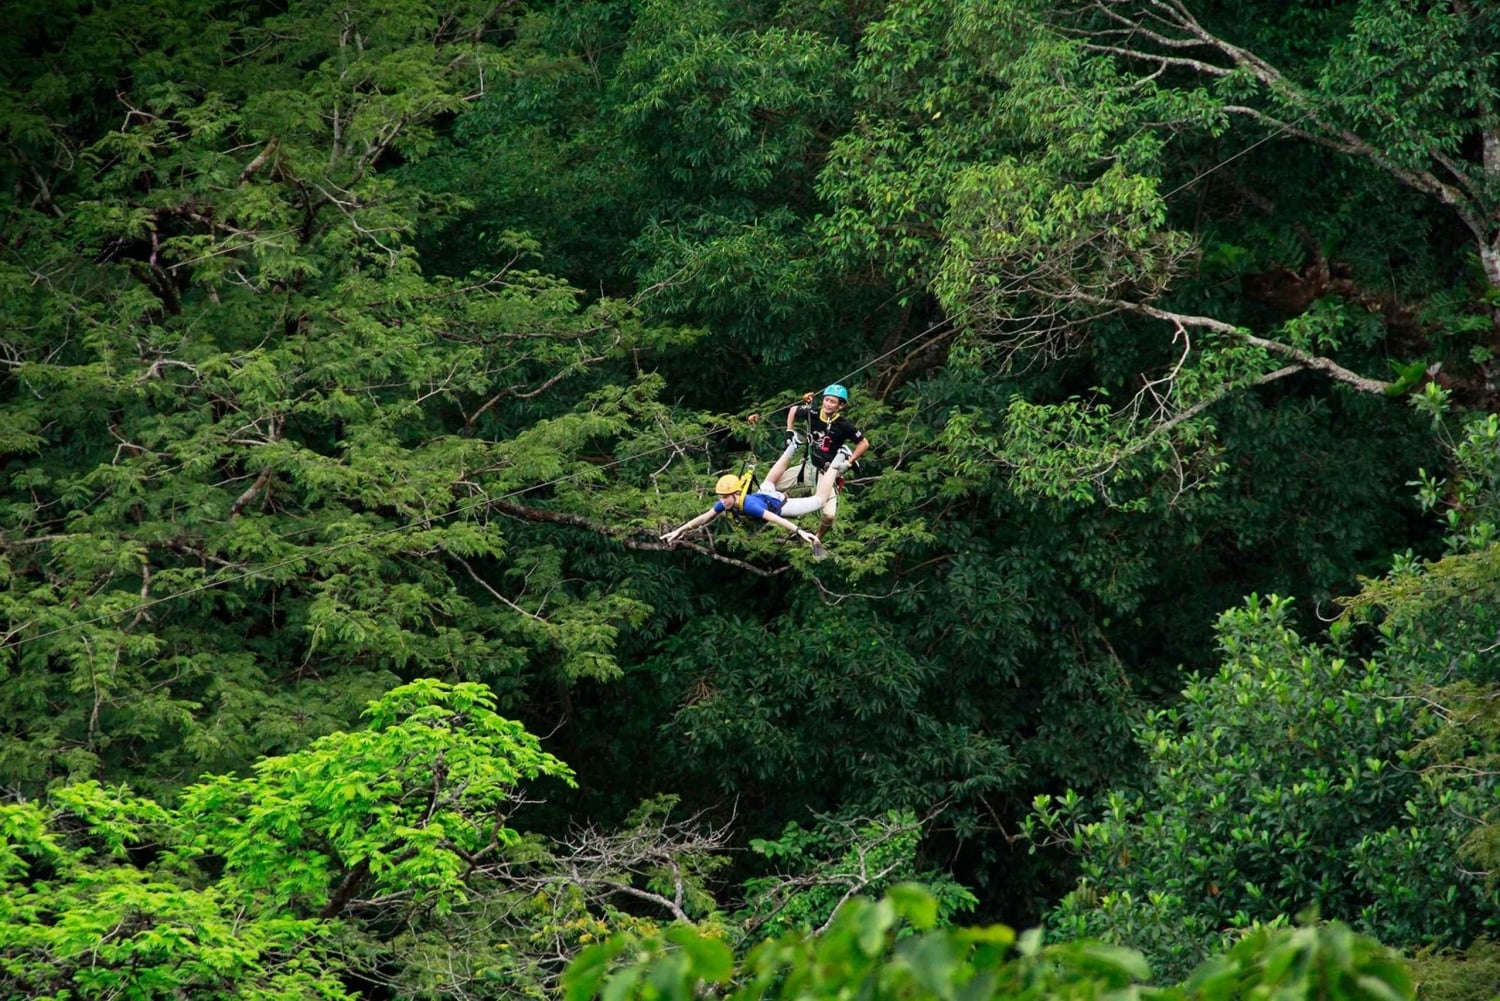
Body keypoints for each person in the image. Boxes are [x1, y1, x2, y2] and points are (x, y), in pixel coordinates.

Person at [759, 383, 869, 539]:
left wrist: (849, 462)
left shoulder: (844, 425)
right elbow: (793, 410)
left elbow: (864, 443)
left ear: (840, 406)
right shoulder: (813, 412)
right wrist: (789, 431)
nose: (828, 404)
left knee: (829, 516)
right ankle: (771, 507)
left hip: (827, 472)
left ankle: (817, 538)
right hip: (808, 467)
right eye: (827, 400)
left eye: (833, 402)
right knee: (767, 488)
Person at [660, 474, 828, 559]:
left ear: (736, 494)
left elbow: (776, 519)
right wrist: (678, 530)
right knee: (770, 480)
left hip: (781, 505)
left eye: (725, 497)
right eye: (721, 497)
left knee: (820, 500)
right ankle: (793, 444)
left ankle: (833, 463)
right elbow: (704, 517)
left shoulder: (749, 506)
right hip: (765, 493)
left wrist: (800, 532)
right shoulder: (728, 503)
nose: (722, 501)